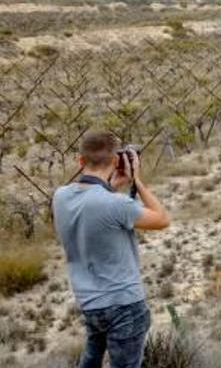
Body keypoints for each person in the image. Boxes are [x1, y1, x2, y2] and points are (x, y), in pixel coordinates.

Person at [53, 131, 171, 368]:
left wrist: (112, 186)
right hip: (125, 304)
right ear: (116, 161)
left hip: (90, 303)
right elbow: (161, 219)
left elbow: (92, 205)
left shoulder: (60, 196)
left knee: (90, 360)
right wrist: (137, 180)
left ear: (80, 161)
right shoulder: (115, 204)